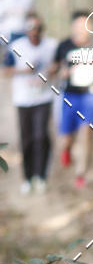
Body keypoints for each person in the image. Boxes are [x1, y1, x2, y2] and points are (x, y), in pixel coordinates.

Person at [50, 10, 93, 188]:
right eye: (79, 24)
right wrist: (62, 72)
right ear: (73, 26)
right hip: (69, 95)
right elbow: (54, 68)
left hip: (90, 94)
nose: (82, 28)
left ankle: (81, 173)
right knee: (66, 139)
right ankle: (66, 150)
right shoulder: (64, 46)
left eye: (86, 24)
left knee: (87, 132)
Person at [3, 12, 57, 193]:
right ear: (25, 30)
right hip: (23, 99)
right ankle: (27, 178)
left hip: (43, 98)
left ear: (43, 29)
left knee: (41, 136)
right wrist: (25, 71)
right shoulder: (16, 47)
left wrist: (47, 74)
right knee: (27, 140)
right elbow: (6, 71)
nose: (34, 32)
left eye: (38, 28)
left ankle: (41, 176)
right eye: (31, 28)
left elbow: (57, 65)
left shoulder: (51, 45)